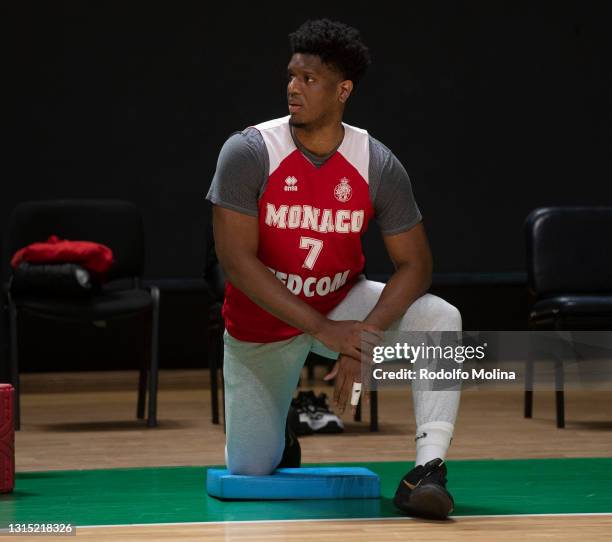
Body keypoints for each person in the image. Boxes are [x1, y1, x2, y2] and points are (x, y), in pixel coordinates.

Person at [206, 18, 462, 520]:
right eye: (291, 76)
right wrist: (326, 331)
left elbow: (416, 264)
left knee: (440, 318)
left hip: (342, 302)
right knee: (252, 468)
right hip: (263, 321)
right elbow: (235, 262)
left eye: (309, 79)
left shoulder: (376, 163)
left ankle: (427, 470)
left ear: (343, 90)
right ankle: (278, 432)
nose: (292, 88)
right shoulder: (249, 151)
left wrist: (365, 336)